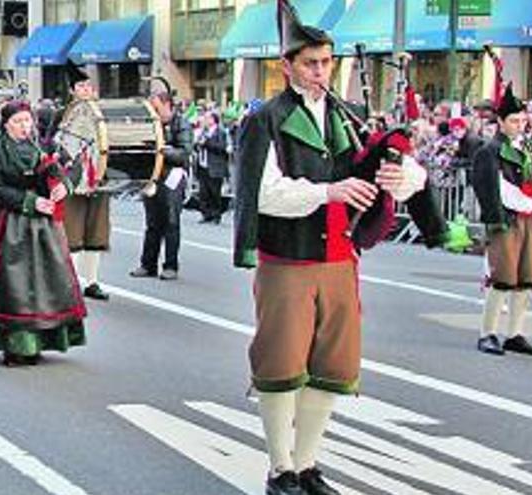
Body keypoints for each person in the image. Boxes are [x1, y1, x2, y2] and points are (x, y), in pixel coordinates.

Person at [233, 2, 428, 494]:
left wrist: (398, 176)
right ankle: (280, 470)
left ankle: (307, 464)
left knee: (332, 365)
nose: (320, 72)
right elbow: (262, 193)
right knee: (281, 363)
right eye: (309, 63)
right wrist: (329, 191)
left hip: (340, 259)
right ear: (286, 66)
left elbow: (408, 177)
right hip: (288, 259)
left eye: (325, 62)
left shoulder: (351, 116)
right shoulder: (266, 121)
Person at [0, 100, 86, 366]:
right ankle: (16, 345)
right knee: (15, 285)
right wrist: (31, 202)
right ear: (6, 125)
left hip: (45, 226)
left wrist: (65, 186)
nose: (24, 127)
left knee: (48, 281)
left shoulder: (46, 147)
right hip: (9, 224)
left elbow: (75, 165)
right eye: (18, 122)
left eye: (27, 121)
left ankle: (45, 338)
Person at [472, 84, 532, 357]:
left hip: (528, 220)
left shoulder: (528, 148)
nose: (519, 125)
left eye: (522, 120)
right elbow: (501, 190)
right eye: (513, 120)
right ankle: (487, 334)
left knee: (527, 276)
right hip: (505, 220)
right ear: (500, 121)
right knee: (503, 276)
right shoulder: (490, 151)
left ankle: (515, 334)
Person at [129, 78, 192, 281]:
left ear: (167, 105)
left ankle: (171, 265)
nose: (154, 114)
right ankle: (147, 264)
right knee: (152, 223)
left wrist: (164, 151)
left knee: (171, 222)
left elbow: (185, 152)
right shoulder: (151, 124)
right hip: (154, 176)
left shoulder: (181, 123)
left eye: (157, 108)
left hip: (172, 176)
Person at [57, 62, 112, 300]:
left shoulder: (102, 114)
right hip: (73, 178)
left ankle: (92, 282)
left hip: (99, 176)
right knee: (73, 231)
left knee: (96, 230)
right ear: (72, 90)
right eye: (81, 85)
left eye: (89, 85)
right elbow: (52, 143)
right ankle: (72, 282)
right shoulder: (63, 114)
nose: (86, 89)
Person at [195, 111, 229, 224]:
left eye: (207, 118)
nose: (204, 120)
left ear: (213, 120)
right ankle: (206, 214)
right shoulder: (203, 132)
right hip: (203, 165)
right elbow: (198, 144)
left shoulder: (220, 132)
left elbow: (222, 148)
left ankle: (216, 215)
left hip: (215, 166)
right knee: (204, 193)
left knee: (215, 193)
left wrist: (207, 143)